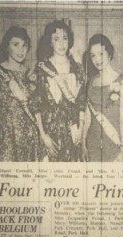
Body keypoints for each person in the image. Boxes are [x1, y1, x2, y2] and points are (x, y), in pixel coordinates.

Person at [32, 20, 86, 162]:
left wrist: (80, 128)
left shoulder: (77, 67)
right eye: (56, 39)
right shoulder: (42, 68)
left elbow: (81, 102)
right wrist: (43, 135)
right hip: (50, 131)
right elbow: (36, 104)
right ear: (50, 42)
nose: (61, 44)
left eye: (65, 38)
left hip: (72, 130)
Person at [0, 26, 41, 161]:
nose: (21, 50)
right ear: (7, 47)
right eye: (15, 44)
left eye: (24, 45)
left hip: (31, 140)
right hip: (7, 141)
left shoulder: (31, 74)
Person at [83, 34, 123, 162]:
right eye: (93, 55)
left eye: (101, 53)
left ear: (109, 53)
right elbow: (87, 117)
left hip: (113, 143)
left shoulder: (122, 82)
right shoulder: (91, 82)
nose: (97, 59)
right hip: (92, 143)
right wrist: (83, 144)